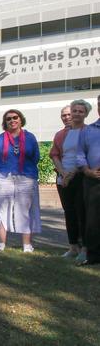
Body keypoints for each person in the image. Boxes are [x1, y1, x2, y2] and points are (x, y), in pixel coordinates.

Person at [0, 109, 41, 253]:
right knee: (1, 210)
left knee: (25, 210)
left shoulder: (30, 138)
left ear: (21, 119)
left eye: (15, 117)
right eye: (8, 119)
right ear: (5, 123)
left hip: (26, 177)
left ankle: (27, 244)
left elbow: (35, 157)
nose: (12, 120)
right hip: (3, 176)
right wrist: (3, 167)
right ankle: (1, 243)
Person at [50, 99, 91, 263]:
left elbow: (90, 155)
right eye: (74, 111)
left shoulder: (91, 132)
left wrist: (72, 173)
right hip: (64, 178)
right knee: (69, 213)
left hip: (81, 177)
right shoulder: (61, 134)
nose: (76, 114)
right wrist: (62, 173)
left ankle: (86, 248)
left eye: (80, 111)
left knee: (83, 213)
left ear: (86, 114)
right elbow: (55, 154)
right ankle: (73, 246)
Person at [77, 95, 100, 266]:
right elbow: (79, 154)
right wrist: (87, 170)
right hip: (92, 179)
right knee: (92, 220)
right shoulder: (88, 130)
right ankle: (93, 257)